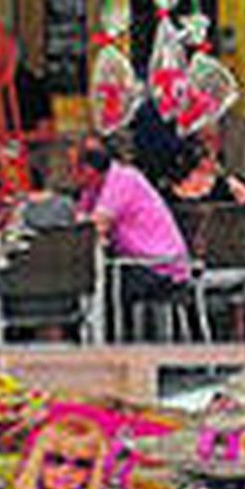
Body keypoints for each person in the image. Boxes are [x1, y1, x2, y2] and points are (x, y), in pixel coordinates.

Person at [72, 134, 193, 339]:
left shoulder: (122, 179)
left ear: (88, 169)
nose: (70, 175)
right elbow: (80, 221)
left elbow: (95, 226)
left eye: (73, 168)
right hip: (137, 262)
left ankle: (114, 345)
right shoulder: (92, 188)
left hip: (162, 266)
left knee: (104, 285)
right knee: (85, 282)